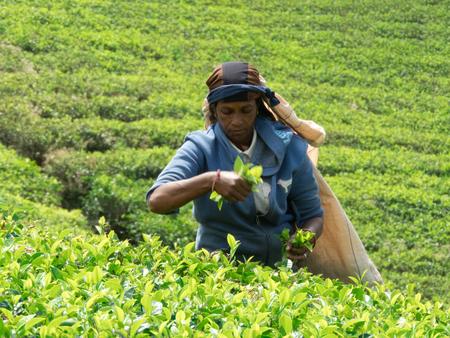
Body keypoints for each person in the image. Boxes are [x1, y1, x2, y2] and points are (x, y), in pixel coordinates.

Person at [146, 61, 324, 268]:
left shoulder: (289, 146)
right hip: (219, 273)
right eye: (227, 112)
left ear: (258, 107)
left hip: (279, 274)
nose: (237, 121)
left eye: (246, 110)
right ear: (214, 110)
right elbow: (157, 201)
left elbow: (312, 214)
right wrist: (211, 180)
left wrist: (307, 237)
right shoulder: (201, 147)